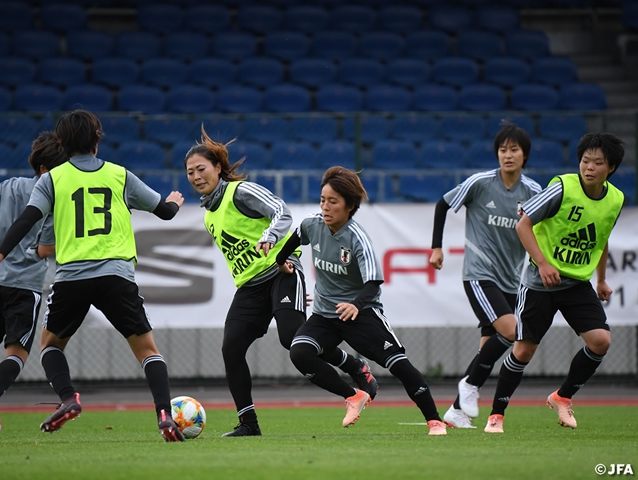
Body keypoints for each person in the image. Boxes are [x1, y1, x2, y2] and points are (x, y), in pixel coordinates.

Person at [0, 110, 186, 442]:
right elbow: (164, 212)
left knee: (50, 346)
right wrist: (173, 202)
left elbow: (26, 220)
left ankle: (69, 398)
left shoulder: (52, 180)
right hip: (116, 274)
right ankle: (165, 417)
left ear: (62, 143)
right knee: (147, 351)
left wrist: (0, 252)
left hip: (72, 276)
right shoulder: (119, 175)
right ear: (97, 138)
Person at [184, 128, 377, 438]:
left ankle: (353, 374)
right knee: (231, 349)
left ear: (218, 168)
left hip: (282, 272)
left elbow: (281, 211)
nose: (195, 176)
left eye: (201, 169)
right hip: (249, 287)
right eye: (190, 172)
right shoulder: (208, 214)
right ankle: (249, 424)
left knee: (292, 340)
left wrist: (270, 236)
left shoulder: (241, 191)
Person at [275, 166, 447, 435]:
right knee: (299, 351)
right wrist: (280, 260)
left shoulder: (357, 238)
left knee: (398, 364)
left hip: (361, 312)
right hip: (325, 314)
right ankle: (353, 396)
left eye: (333, 201)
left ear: (350, 206)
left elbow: (374, 282)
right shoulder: (313, 224)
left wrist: (355, 304)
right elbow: (296, 237)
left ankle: (434, 420)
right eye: (322, 200)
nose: (325, 207)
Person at [483, 132, 625, 433]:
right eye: (585, 160)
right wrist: (543, 263)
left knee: (601, 341)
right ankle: (497, 414)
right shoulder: (562, 187)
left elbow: (601, 239)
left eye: (598, 163)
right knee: (523, 352)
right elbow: (523, 225)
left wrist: (601, 280)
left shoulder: (616, 198)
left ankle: (562, 397)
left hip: (576, 284)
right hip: (539, 283)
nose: (589, 167)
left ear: (610, 168)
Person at [429, 123, 542, 428]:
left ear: (524, 155)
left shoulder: (534, 192)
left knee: (487, 349)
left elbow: (544, 230)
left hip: (513, 279)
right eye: (503, 150)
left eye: (514, 150)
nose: (507, 155)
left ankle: (456, 411)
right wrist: (437, 248)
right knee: (512, 330)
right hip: (479, 273)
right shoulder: (480, 182)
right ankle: (467, 387)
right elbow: (443, 203)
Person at [0, 132, 69, 435]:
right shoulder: (53, 199)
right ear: (44, 170)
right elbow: (44, 249)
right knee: (17, 353)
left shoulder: (9, 186)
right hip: (25, 285)